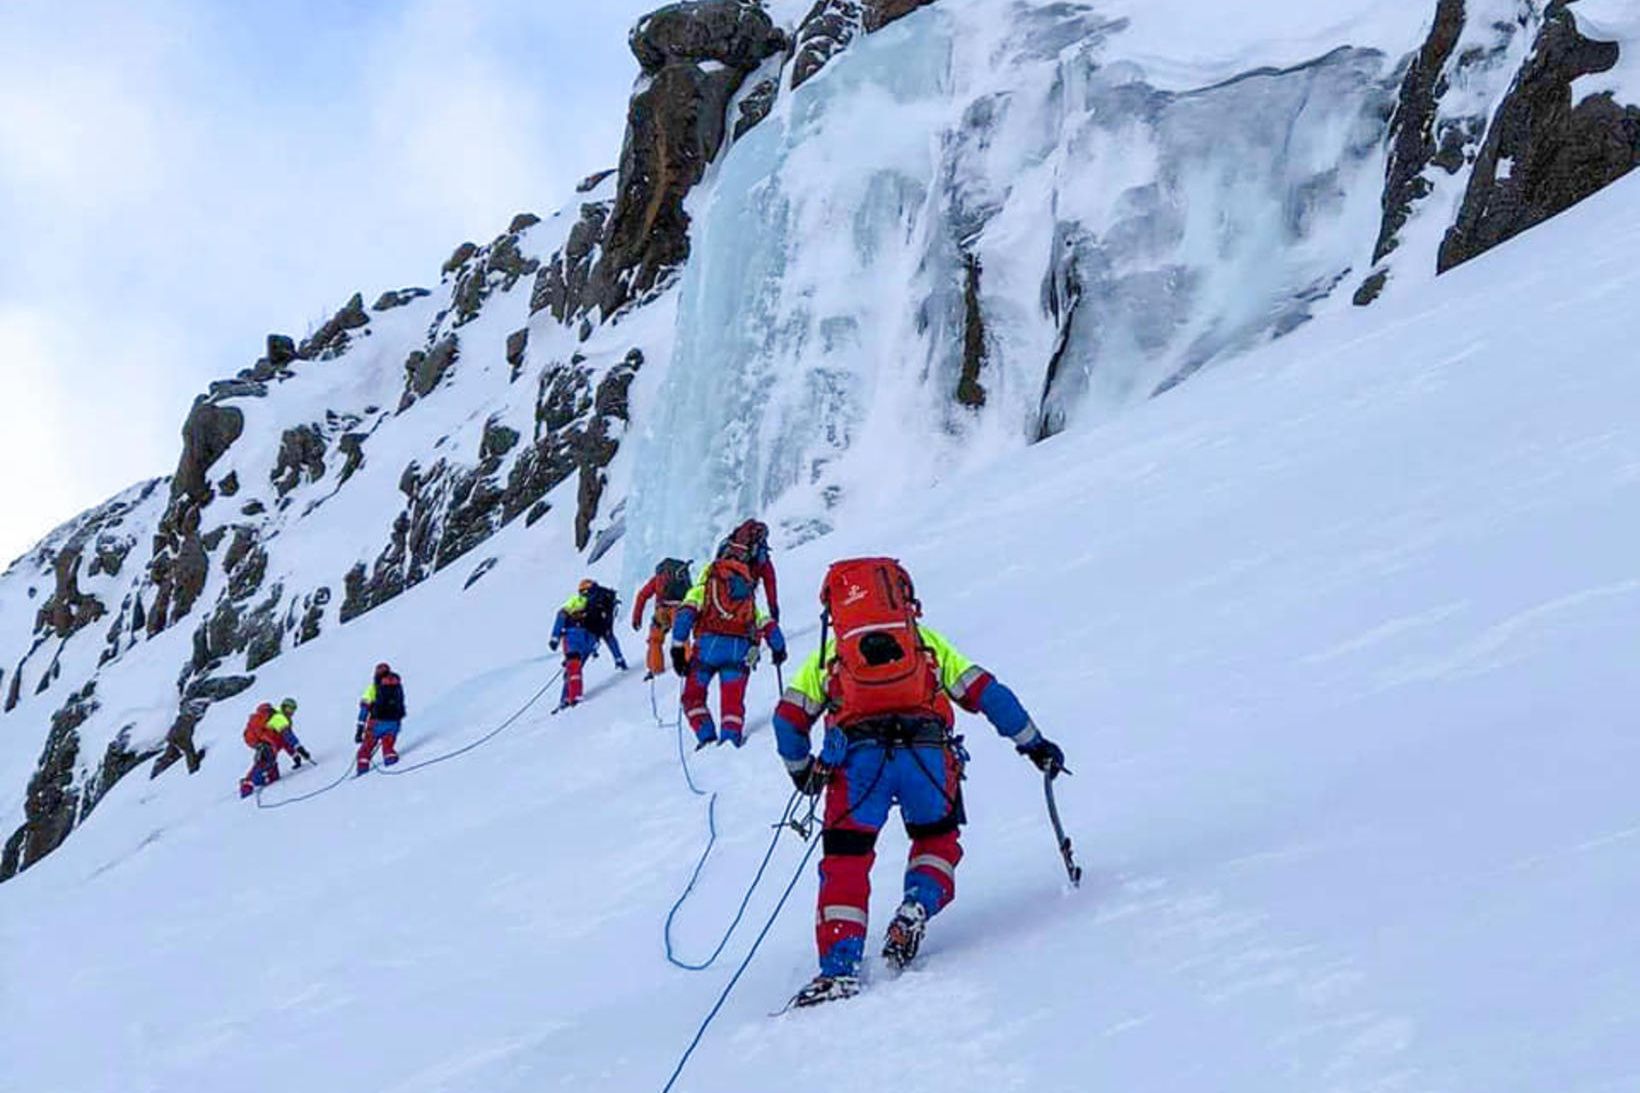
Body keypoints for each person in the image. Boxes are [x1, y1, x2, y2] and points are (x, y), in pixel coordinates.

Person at [770, 557, 1065, 1006]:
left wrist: (803, 774)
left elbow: (788, 719)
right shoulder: (925, 645)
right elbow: (988, 693)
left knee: (846, 861)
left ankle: (839, 969)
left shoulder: (831, 657)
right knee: (937, 841)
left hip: (856, 764)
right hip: (928, 758)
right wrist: (1034, 743)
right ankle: (917, 905)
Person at [671, 555, 787, 748]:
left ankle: (706, 737)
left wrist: (677, 648)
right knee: (732, 702)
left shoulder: (702, 589)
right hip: (739, 651)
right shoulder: (745, 597)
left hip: (707, 649)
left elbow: (685, 616)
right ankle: (730, 741)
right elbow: (766, 622)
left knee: (693, 697)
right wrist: (779, 648)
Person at [551, 579, 626, 708]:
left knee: (572, 666)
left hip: (574, 635)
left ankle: (570, 699)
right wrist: (619, 658)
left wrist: (555, 637)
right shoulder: (603, 607)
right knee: (576, 667)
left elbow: (562, 614)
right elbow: (609, 636)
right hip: (591, 640)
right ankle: (570, 698)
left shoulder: (579, 600)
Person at [632, 558, 693, 681]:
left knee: (655, 640)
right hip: (679, 609)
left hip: (662, 610)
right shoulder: (682, 578)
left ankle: (655, 669)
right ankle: (690, 664)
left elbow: (642, 595)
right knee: (682, 638)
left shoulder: (658, 579)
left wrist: (636, 618)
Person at [238, 698, 311, 798]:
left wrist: (295, 756)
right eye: (289, 709)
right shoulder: (278, 717)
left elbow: (285, 741)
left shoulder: (284, 720)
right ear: (284, 707)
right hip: (263, 741)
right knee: (265, 761)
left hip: (271, 742)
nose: (291, 712)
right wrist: (300, 749)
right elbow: (288, 735)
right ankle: (247, 785)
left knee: (274, 775)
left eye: (293, 709)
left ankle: (258, 779)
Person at [716, 519, 780, 621]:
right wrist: (774, 611)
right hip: (744, 601)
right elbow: (770, 582)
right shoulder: (760, 555)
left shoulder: (728, 546)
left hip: (719, 598)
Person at [356, 663, 408, 775]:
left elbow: (364, 709)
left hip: (377, 723)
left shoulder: (373, 688)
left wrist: (360, 729)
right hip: (394, 723)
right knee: (388, 745)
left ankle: (362, 772)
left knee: (366, 748)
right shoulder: (397, 685)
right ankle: (391, 762)